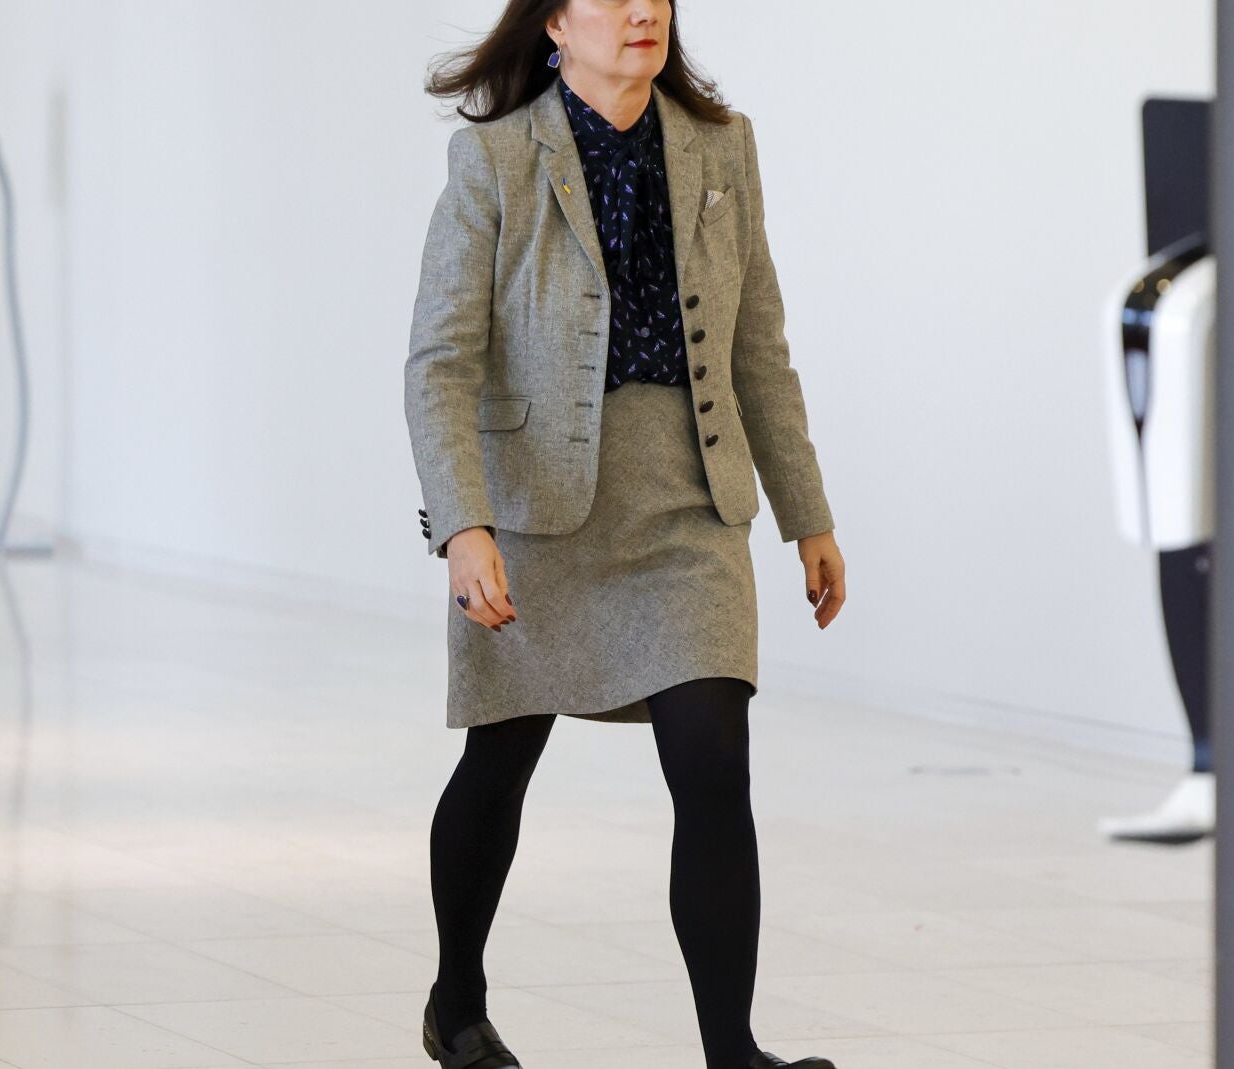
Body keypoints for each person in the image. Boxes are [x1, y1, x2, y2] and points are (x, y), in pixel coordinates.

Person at [402, 3, 847, 1068]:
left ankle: (732, 1051)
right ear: (556, 22)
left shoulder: (722, 147)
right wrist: (463, 525)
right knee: (499, 761)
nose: (643, 10)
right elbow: (441, 362)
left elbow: (757, 347)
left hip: (688, 498)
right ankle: (456, 1001)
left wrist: (808, 515)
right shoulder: (493, 161)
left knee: (713, 760)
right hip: (538, 507)